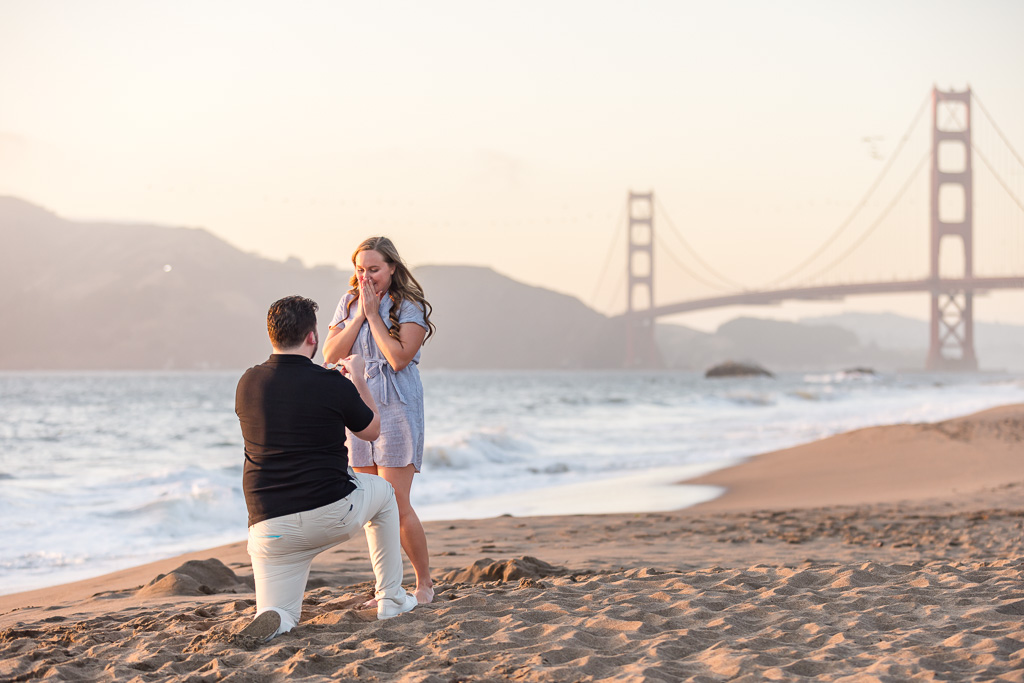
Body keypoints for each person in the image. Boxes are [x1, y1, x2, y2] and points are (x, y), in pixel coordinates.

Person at [235, 295, 417, 642]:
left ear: (271, 335)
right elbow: (372, 430)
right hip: (329, 512)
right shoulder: (332, 383)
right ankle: (391, 598)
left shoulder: (247, 383)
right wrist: (359, 380)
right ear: (313, 338)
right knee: (385, 494)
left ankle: (276, 618)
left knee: (280, 611)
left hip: (269, 525)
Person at [322, 236, 436, 604]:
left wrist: (373, 316)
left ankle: (423, 584)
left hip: (397, 406)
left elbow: (399, 357)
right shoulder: (349, 301)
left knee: (396, 503)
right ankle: (386, 587)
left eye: (374, 269)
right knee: (372, 505)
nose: (366, 277)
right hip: (357, 404)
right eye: (360, 269)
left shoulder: (409, 305)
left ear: (392, 268)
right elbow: (330, 353)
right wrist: (358, 315)